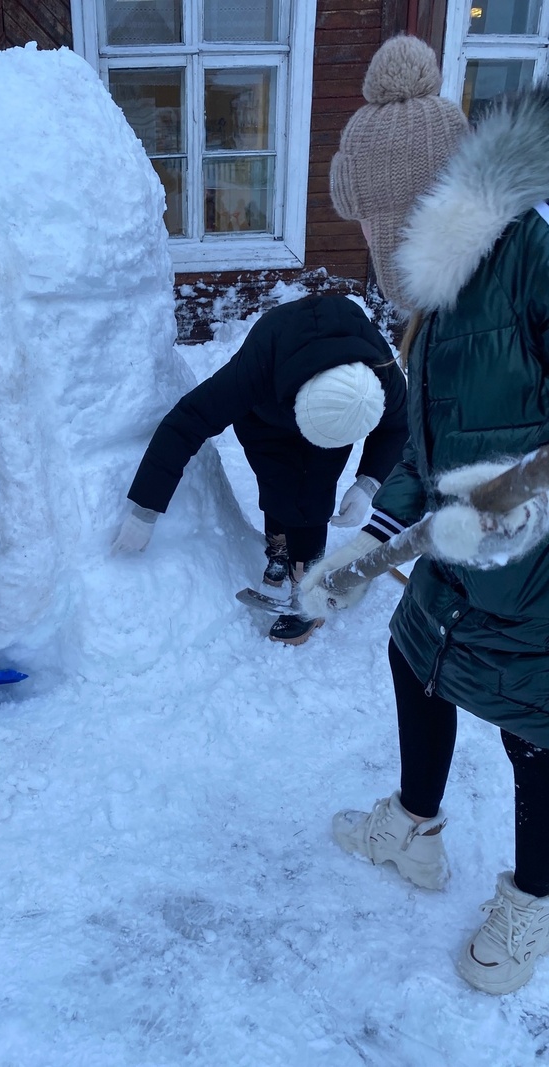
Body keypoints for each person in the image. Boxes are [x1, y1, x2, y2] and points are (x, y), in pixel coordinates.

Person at [304, 34, 549, 994]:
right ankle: (412, 827)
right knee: (416, 658)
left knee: (535, 729)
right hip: (460, 562)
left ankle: (533, 905)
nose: (386, 249)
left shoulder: (528, 259)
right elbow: (423, 451)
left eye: (396, 221)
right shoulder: (434, 312)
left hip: (539, 579)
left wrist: (521, 498)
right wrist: (368, 541)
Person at [112, 292, 408, 644]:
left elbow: (397, 427)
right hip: (264, 417)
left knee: (314, 490)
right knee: (277, 477)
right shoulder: (254, 370)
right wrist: (145, 509)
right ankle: (279, 548)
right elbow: (185, 423)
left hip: (332, 413)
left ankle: (307, 587)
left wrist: (368, 483)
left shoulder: (380, 375)